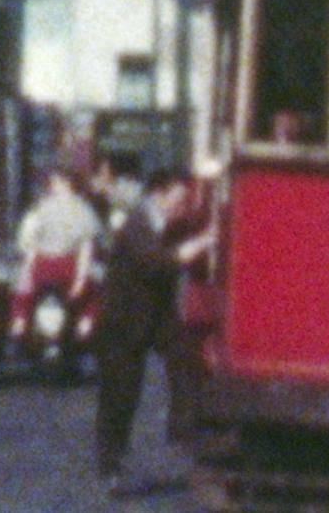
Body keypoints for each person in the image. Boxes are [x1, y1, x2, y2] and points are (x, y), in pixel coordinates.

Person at [95, 169, 214, 494]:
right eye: (179, 200)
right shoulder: (135, 225)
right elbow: (157, 263)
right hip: (121, 323)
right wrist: (203, 242)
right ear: (158, 195)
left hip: (157, 317)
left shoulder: (169, 222)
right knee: (120, 396)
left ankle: (183, 430)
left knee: (186, 357)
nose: (183, 207)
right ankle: (111, 466)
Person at [9, 166, 102, 342]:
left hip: (42, 266)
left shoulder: (39, 208)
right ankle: (85, 325)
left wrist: (27, 273)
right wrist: (80, 280)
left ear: (62, 184)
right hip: (68, 267)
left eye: (53, 183)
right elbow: (85, 251)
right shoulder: (84, 210)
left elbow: (30, 245)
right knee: (93, 294)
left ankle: (19, 322)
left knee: (22, 294)